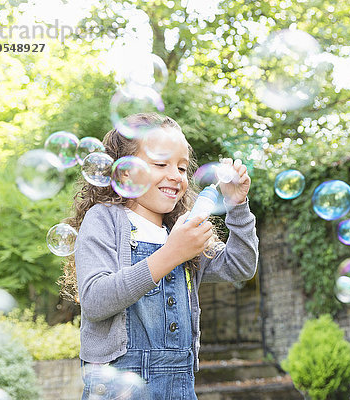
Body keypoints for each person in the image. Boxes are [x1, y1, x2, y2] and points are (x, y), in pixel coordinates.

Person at [61, 112, 259, 400]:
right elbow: (95, 300)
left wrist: (237, 205)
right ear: (125, 172)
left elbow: (240, 266)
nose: (175, 175)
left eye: (181, 167)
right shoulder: (104, 220)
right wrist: (172, 253)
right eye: (160, 163)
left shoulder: (181, 230)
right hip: (119, 385)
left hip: (179, 384)